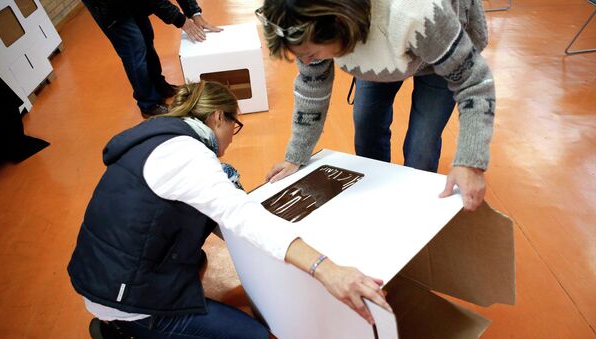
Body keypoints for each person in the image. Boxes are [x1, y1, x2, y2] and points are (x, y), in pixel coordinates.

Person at [67, 81, 390, 339]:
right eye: (234, 126)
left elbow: (223, 218)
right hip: (124, 299)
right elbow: (239, 216)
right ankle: (127, 330)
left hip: (104, 273)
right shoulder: (186, 155)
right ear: (218, 117)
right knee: (254, 335)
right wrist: (324, 267)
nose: (232, 140)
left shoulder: (160, 140)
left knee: (199, 260)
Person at [258, 0, 495, 211]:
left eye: (311, 53)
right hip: (377, 47)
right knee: (366, 125)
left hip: (436, 53)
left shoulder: (418, 11)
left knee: (421, 147)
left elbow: (475, 82)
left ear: (340, 24)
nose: (306, 60)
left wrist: (470, 162)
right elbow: (312, 90)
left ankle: (415, 214)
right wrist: (295, 156)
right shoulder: (304, 25)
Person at [82, 0, 222, 117]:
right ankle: (148, 104)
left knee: (146, 36)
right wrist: (182, 20)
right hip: (108, 5)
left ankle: (160, 86)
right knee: (134, 47)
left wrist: (194, 13)